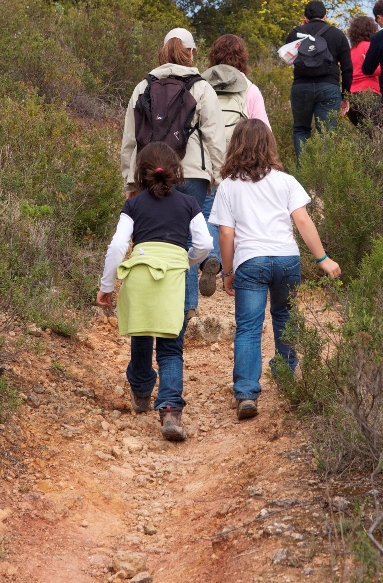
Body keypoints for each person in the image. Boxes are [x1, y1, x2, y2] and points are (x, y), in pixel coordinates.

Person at [208, 119, 341, 421]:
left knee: (249, 328)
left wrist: (228, 273)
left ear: (235, 147)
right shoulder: (285, 181)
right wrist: (323, 259)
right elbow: (303, 221)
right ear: (269, 145)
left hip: (250, 262)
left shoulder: (227, 187)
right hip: (286, 260)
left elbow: (226, 235)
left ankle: (245, 393)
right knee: (284, 316)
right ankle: (284, 375)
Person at [97, 142, 213, 441]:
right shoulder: (189, 203)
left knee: (141, 334)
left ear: (140, 172)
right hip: (172, 280)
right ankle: (171, 409)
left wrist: (106, 286)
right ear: (177, 171)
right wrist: (185, 261)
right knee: (171, 348)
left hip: (140, 276)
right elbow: (204, 244)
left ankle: (141, 390)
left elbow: (118, 246)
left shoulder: (133, 205)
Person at [120, 28, 226, 319]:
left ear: (163, 50)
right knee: (189, 238)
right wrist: (218, 177)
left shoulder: (143, 86)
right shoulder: (201, 87)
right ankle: (187, 307)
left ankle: (151, 304)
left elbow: (130, 139)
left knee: (153, 236)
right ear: (190, 52)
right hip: (192, 173)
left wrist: (131, 180)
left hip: (150, 171)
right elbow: (215, 137)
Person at [199, 34, 271, 295]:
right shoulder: (249, 88)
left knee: (208, 210)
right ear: (243, 57)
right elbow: (263, 129)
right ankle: (237, 266)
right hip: (238, 160)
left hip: (205, 159)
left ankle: (209, 256)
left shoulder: (201, 85)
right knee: (232, 216)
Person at [285, 0, 352, 159]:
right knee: (327, 133)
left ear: (305, 17)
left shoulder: (295, 33)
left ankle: (304, 175)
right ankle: (325, 177)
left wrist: (300, 29)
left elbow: (288, 60)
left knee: (301, 129)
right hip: (329, 88)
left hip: (301, 87)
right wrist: (345, 96)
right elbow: (347, 68)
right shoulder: (337, 34)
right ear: (325, 16)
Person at [347, 15, 380, 125]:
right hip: (369, 94)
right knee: (376, 134)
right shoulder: (370, 47)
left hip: (351, 97)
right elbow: (378, 70)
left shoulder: (350, 51)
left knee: (364, 134)